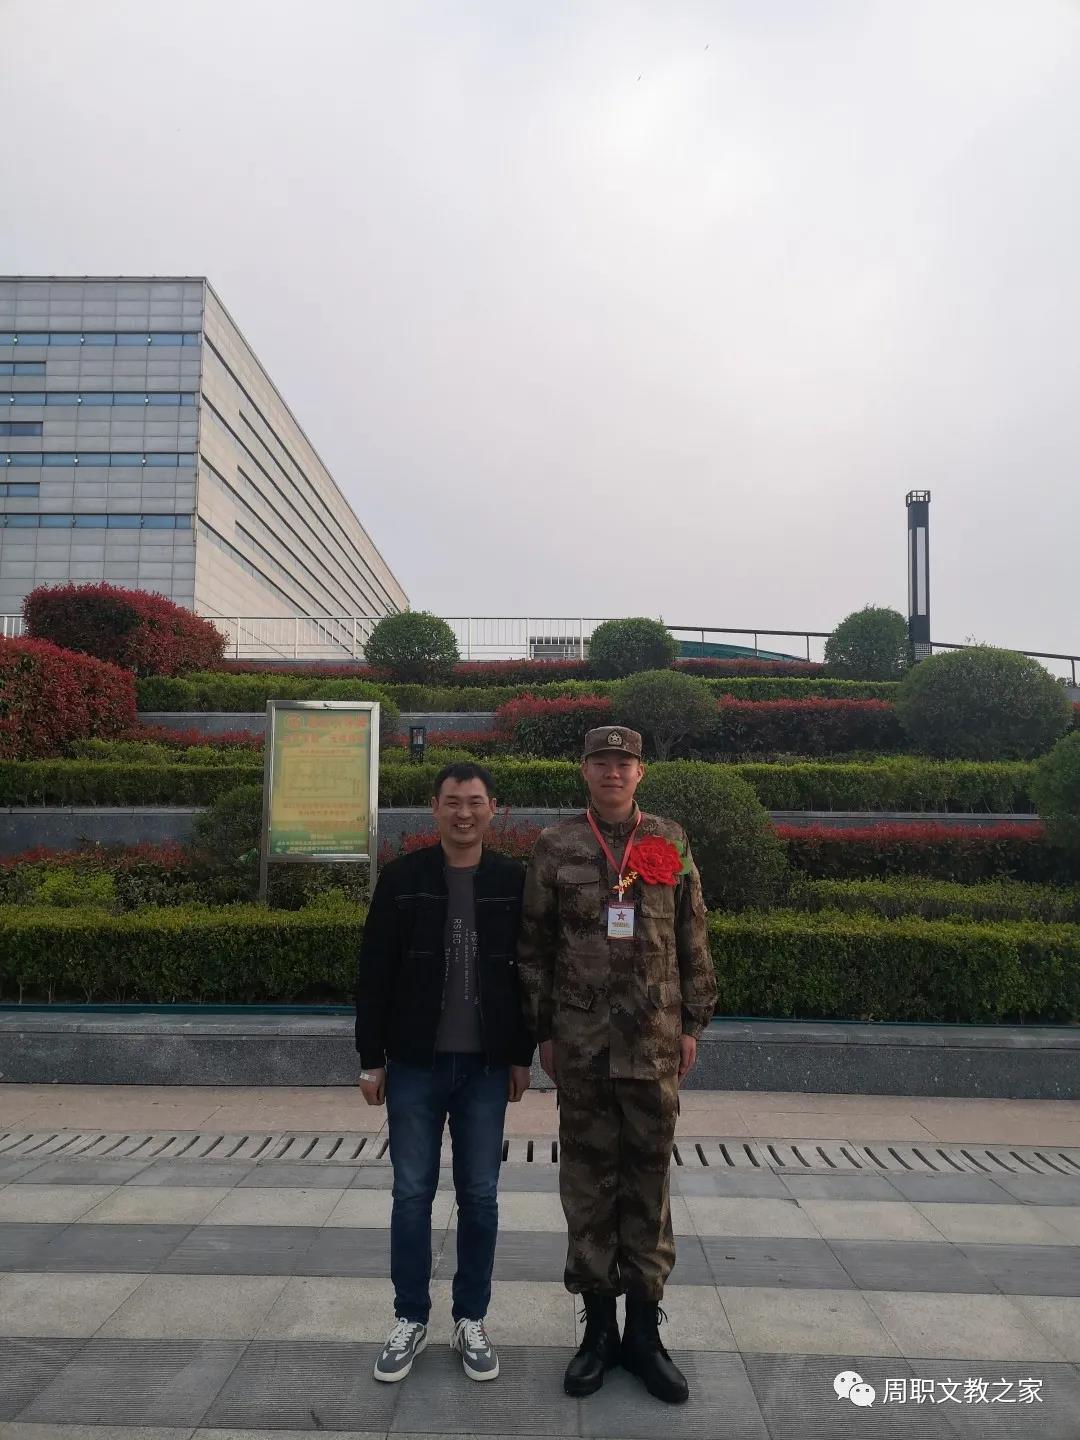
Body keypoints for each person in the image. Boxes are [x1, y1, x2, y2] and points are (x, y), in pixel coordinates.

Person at [516, 726, 716, 1405]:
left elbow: (692, 932)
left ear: (640, 772)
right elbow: (533, 946)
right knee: (587, 1186)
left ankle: (644, 1334)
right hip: (582, 1045)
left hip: (654, 1043)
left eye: (623, 763)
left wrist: (692, 1022)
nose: (613, 772)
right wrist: (543, 1029)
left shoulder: (669, 839)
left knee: (648, 1187)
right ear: (584, 771)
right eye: (601, 762)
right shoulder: (556, 845)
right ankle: (598, 1331)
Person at [355, 761, 534, 1385]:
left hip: (485, 1068)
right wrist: (370, 1059)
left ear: (492, 809)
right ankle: (409, 1317)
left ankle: (470, 1318)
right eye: (453, 802)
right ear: (434, 808)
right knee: (411, 1194)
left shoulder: (512, 880)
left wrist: (520, 1053)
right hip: (414, 1064)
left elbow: (526, 973)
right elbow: (374, 971)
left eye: (475, 802)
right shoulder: (403, 878)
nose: (464, 813)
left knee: (480, 1195)